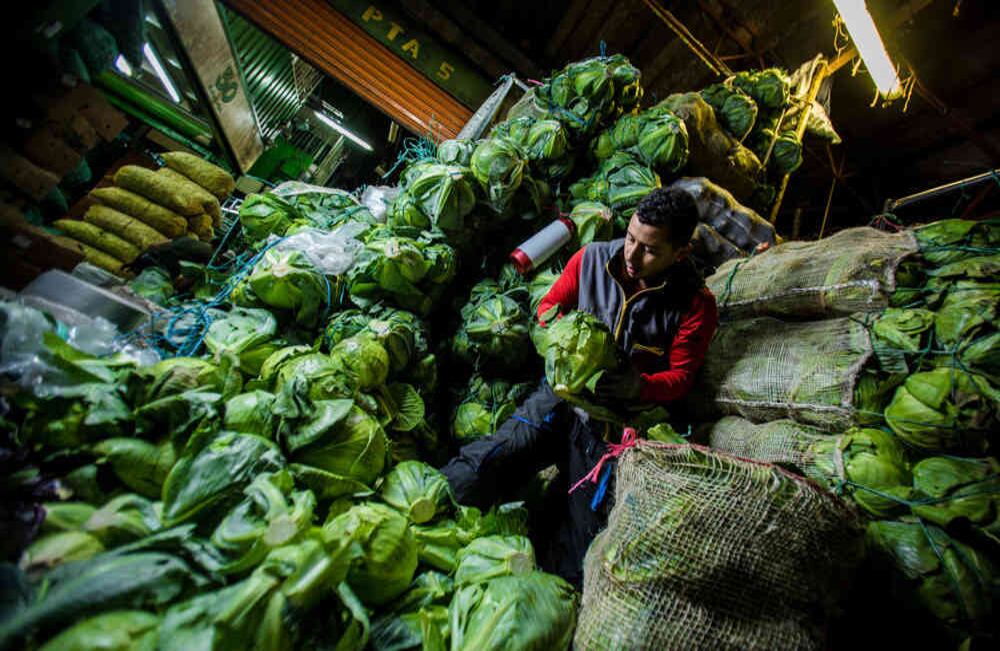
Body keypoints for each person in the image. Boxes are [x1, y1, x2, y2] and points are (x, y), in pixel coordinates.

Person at [441, 187, 719, 587]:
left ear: (680, 253)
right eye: (630, 238)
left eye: (650, 250)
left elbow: (680, 377)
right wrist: (564, 339)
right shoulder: (590, 259)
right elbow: (547, 309)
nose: (632, 255)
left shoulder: (695, 304)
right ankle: (439, 505)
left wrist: (639, 387)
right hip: (559, 397)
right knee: (491, 459)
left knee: (581, 542)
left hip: (611, 425)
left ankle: (546, 586)